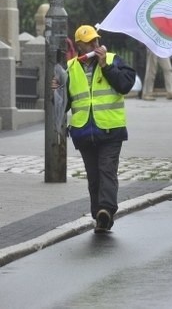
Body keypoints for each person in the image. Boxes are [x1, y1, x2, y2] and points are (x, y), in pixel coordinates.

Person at [57, 25, 136, 233]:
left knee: (107, 171)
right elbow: (64, 103)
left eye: (96, 41)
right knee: (93, 177)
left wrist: (106, 66)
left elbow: (126, 85)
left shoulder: (112, 60)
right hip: (83, 131)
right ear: (79, 46)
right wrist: (55, 89)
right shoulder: (70, 67)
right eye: (89, 42)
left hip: (110, 129)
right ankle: (99, 216)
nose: (95, 45)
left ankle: (106, 210)